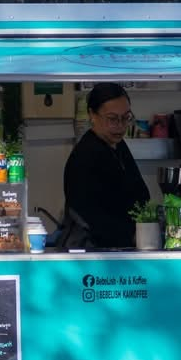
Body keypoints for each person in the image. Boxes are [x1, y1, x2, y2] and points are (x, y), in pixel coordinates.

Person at [62, 83, 151, 248]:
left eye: (126, 117)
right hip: (94, 252)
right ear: (92, 115)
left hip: (123, 246)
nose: (120, 125)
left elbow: (141, 194)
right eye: (112, 119)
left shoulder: (118, 145)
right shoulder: (85, 155)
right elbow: (93, 217)